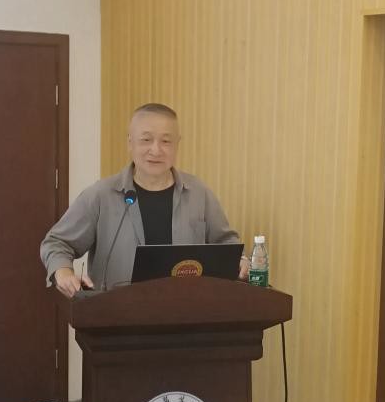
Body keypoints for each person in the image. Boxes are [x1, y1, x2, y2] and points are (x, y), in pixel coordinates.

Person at [40, 103, 249, 298]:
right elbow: (57, 242)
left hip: (184, 312)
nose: (156, 150)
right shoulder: (101, 195)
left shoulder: (198, 194)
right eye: (146, 140)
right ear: (130, 143)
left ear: (177, 145)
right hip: (115, 314)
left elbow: (227, 244)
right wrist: (63, 272)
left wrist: (241, 261)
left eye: (166, 141)